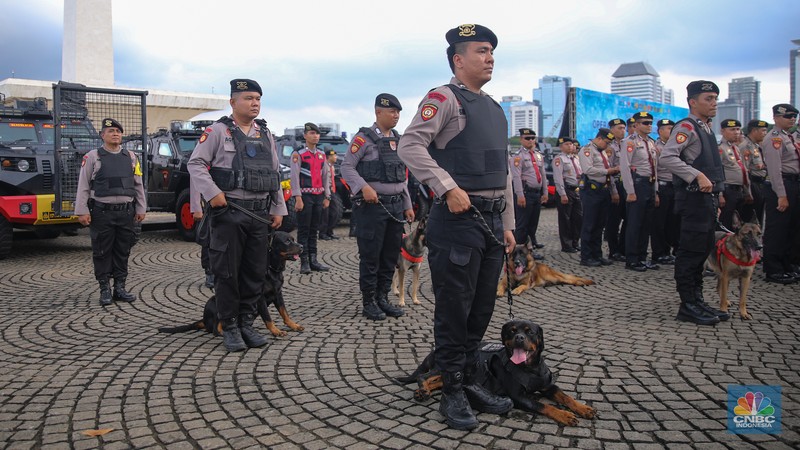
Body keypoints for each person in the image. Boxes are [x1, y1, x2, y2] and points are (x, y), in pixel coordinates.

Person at [397, 24, 515, 430]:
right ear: (458, 59)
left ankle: (468, 380)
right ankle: (450, 389)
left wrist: (510, 224)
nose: (490, 57)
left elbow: (505, 171)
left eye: (492, 52)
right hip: (459, 222)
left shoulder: (495, 108)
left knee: (481, 308)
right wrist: (446, 186)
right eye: (481, 51)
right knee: (455, 310)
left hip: (492, 223)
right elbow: (409, 144)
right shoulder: (443, 99)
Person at [188, 78, 287, 352]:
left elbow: (274, 173)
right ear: (233, 102)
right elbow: (195, 163)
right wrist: (211, 193)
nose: (254, 103)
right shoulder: (218, 131)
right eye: (248, 98)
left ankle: (246, 323)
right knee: (228, 273)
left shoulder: (265, 134)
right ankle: (229, 326)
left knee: (254, 273)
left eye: (257, 98)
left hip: (259, 216)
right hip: (229, 212)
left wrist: (278, 207)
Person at [659, 80, 729, 325]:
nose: (714, 103)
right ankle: (687, 304)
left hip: (706, 200)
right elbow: (667, 157)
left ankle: (697, 300)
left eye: (715, 98)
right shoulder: (687, 127)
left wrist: (717, 194)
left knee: (702, 250)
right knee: (689, 252)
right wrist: (695, 175)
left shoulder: (706, 128)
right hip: (692, 199)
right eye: (708, 98)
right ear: (692, 102)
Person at [341, 93, 414, 321]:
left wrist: (408, 204)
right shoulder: (364, 139)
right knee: (371, 256)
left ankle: (383, 298)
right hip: (372, 207)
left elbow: (402, 177)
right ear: (378, 112)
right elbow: (347, 167)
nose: (396, 116)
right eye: (392, 111)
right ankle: (369, 301)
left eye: (398, 112)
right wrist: (363, 187)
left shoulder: (398, 140)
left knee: (390, 256)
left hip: (394, 207)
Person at [75, 118, 147, 306]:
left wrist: (141, 207)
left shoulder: (131, 157)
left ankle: (120, 288)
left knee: (123, 250)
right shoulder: (92, 157)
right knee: (102, 251)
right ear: (102, 135)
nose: (115, 134)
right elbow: (83, 185)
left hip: (125, 213)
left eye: (118, 131)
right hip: (102, 213)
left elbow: (138, 184)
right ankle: (104, 288)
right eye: (111, 131)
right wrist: (82, 210)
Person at [761, 103, 800, 284]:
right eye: (788, 116)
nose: (792, 119)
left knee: (791, 228)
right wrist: (781, 194)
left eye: (794, 116)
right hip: (782, 184)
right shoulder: (774, 138)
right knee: (778, 229)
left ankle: (787, 265)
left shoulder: (789, 137)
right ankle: (773, 269)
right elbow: (775, 170)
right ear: (776, 118)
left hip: (793, 183)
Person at [620, 112, 659, 272]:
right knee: (635, 224)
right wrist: (630, 190)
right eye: (645, 123)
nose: (648, 125)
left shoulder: (650, 143)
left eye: (650, 122)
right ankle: (632, 259)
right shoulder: (629, 142)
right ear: (635, 125)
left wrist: (655, 192)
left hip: (649, 185)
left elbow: (654, 168)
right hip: (637, 185)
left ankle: (642, 257)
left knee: (646, 224)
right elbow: (625, 167)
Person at [291, 122, 331, 274]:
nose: (315, 136)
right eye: (312, 133)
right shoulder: (299, 154)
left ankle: (314, 260)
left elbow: (325, 177)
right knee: (304, 229)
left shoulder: (321, 155)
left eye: (317, 133)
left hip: (318, 196)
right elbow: (294, 177)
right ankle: (304, 262)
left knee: (314, 229)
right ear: (305, 136)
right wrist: (298, 197)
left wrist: (327, 196)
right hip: (305, 196)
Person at [578, 129, 619, 266]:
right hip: (591, 191)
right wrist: (608, 171)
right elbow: (587, 169)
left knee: (599, 225)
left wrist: (613, 191)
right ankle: (586, 256)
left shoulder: (602, 152)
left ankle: (597, 254)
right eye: (606, 143)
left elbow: (608, 175)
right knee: (589, 225)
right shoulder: (587, 150)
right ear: (600, 139)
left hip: (603, 190)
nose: (607, 146)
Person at [509, 128, 547, 259]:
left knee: (532, 224)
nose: (530, 140)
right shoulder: (517, 157)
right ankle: (517, 251)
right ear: (521, 140)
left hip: (536, 193)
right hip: (525, 193)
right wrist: (520, 195)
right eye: (527, 138)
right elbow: (516, 177)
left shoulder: (537, 155)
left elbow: (543, 175)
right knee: (522, 225)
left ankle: (529, 250)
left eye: (532, 138)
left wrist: (545, 192)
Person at [652, 119, 679, 265]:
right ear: (660, 131)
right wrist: (655, 192)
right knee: (659, 223)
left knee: (672, 222)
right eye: (668, 128)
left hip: (674, 187)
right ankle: (658, 253)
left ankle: (667, 251)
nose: (671, 131)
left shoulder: (675, 147)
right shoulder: (656, 147)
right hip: (662, 187)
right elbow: (654, 171)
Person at [717, 119, 752, 230]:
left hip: (739, 190)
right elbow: (718, 172)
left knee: (737, 224)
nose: (736, 132)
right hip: (728, 190)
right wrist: (720, 195)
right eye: (732, 129)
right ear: (722, 131)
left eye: (738, 129)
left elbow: (742, 170)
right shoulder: (720, 148)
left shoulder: (735, 148)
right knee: (726, 222)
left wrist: (747, 192)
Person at [553, 137, 583, 253]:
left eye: (571, 144)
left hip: (577, 190)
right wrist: (562, 194)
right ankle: (567, 244)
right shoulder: (559, 159)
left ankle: (575, 242)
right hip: (566, 190)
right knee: (565, 219)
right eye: (567, 144)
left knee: (578, 218)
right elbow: (558, 177)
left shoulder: (576, 158)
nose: (570, 146)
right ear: (561, 147)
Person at [605, 118, 627, 261]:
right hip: (615, 185)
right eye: (619, 128)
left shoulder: (625, 145)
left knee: (628, 218)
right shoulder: (610, 147)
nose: (622, 130)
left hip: (626, 185)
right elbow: (609, 170)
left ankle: (623, 247)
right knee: (613, 220)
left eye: (624, 128)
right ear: (612, 129)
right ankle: (614, 251)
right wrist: (613, 191)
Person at [739, 119, 769, 225]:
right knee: (751, 217)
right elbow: (744, 170)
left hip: (760, 184)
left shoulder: (755, 146)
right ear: (754, 131)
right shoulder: (745, 146)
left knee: (759, 216)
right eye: (763, 131)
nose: (765, 133)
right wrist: (748, 192)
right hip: (752, 184)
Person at [190, 173, 214, 289]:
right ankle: (209, 273)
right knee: (207, 240)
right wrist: (196, 207)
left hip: (224, 204)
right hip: (207, 205)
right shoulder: (204, 155)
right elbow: (195, 180)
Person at [318, 149, 340, 241]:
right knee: (325, 214)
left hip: (332, 191)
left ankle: (329, 231)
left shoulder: (332, 166)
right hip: (325, 191)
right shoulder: (325, 166)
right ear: (329, 157)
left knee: (334, 212)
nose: (336, 157)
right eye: (334, 156)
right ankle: (323, 233)